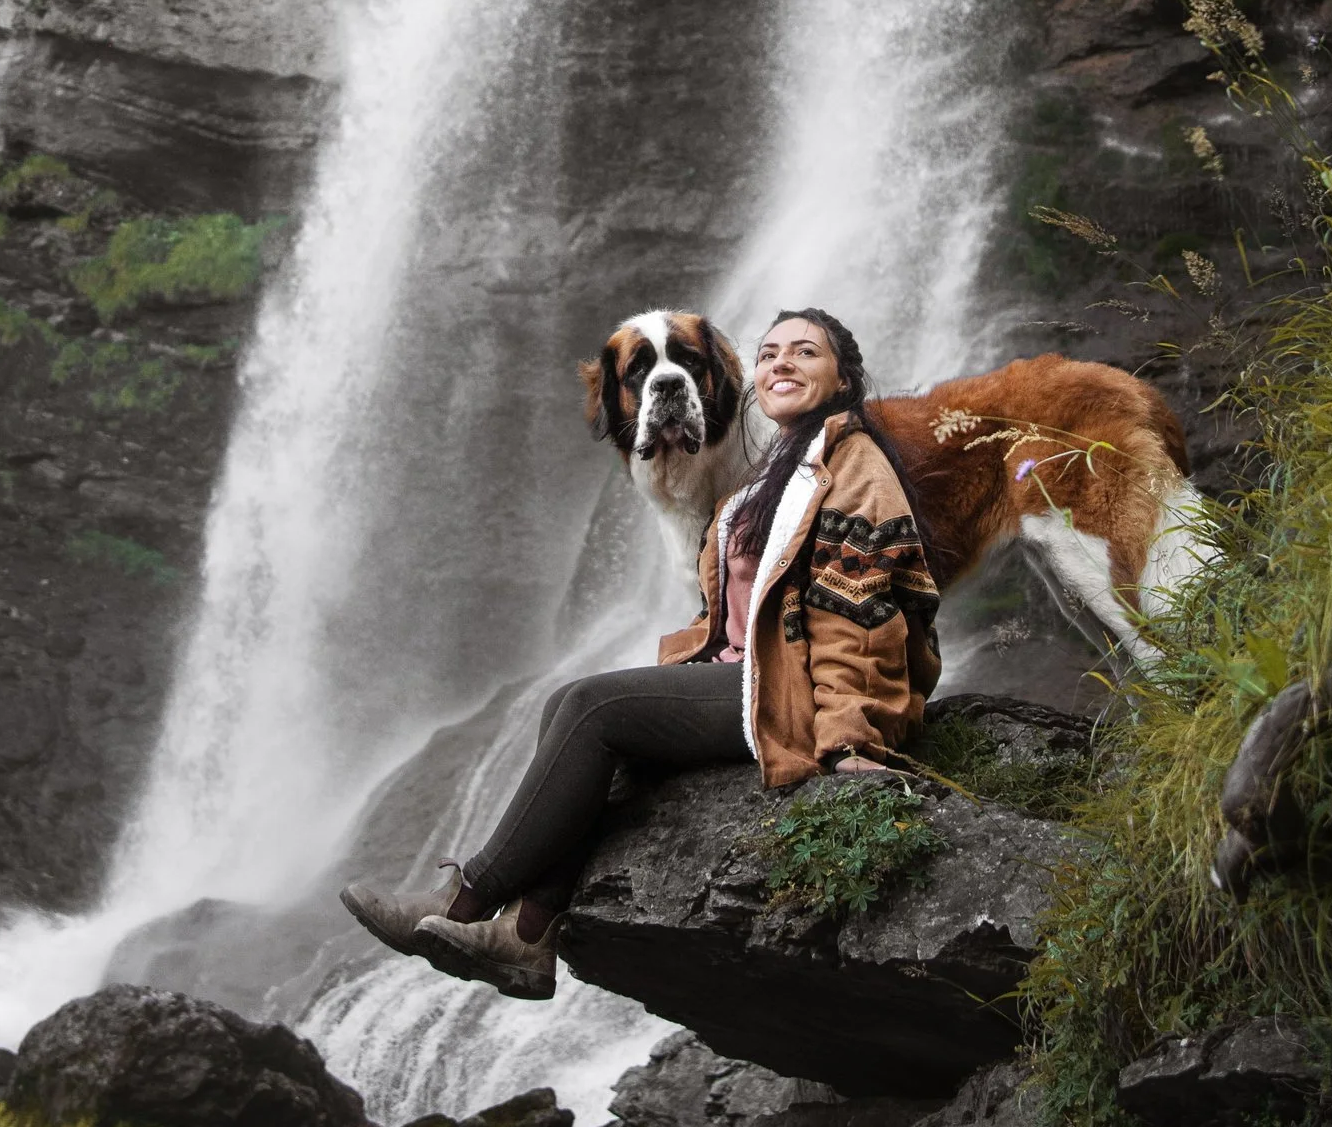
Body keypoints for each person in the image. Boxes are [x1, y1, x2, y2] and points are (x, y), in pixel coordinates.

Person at [340, 306, 941, 1000]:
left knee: (595, 707)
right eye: (770, 352)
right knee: (571, 704)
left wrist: (849, 738)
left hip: (796, 692)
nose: (781, 364)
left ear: (843, 380)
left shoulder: (853, 464)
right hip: (754, 673)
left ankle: (465, 903)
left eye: (806, 353)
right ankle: (529, 935)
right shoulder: (779, 464)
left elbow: (859, 617)